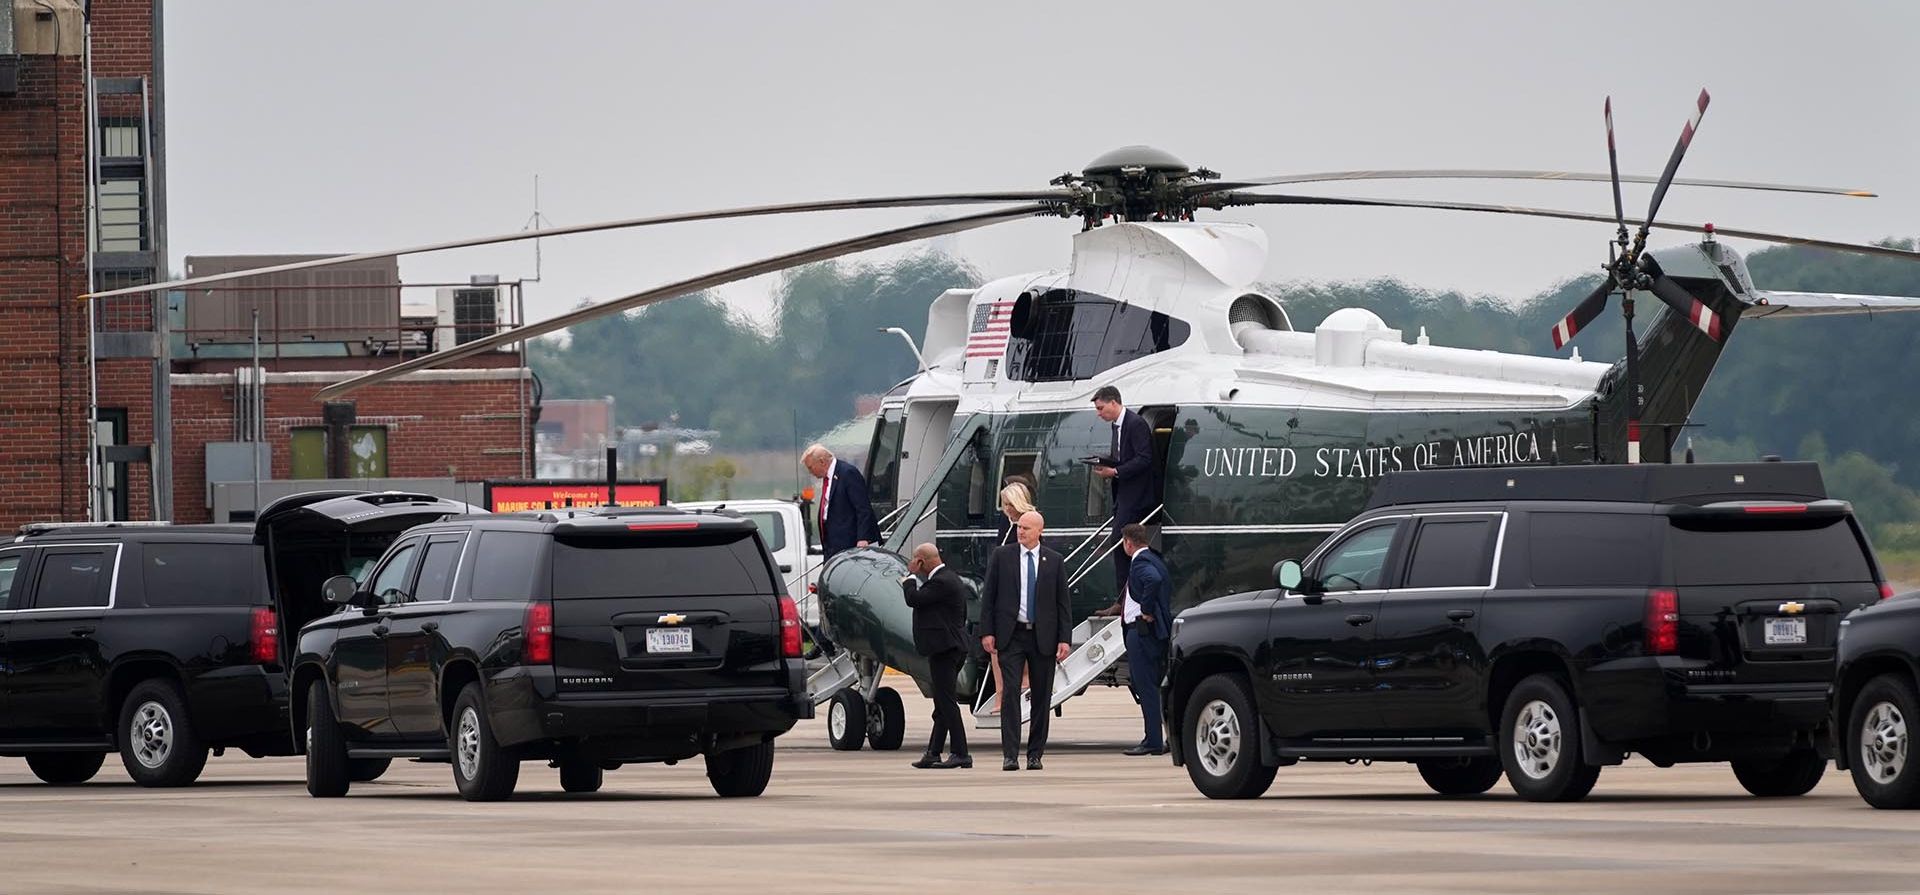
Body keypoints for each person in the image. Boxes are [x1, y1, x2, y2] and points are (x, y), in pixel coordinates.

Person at [979, 511, 1070, 771]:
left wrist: (1064, 639)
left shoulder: (1054, 561)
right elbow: (990, 597)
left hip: (1043, 637)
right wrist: (987, 631)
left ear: (1040, 531)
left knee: (1042, 697)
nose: (1021, 532)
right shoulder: (1002, 556)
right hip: (1012, 635)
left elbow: (1062, 603)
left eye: (1027, 528)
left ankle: (1035, 754)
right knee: (1010, 694)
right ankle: (1010, 754)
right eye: (1019, 527)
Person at [901, 543, 970, 769]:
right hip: (950, 647)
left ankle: (961, 752)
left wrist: (909, 577)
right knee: (941, 703)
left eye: (915, 559)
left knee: (947, 702)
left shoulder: (941, 581)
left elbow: (914, 599)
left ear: (921, 561)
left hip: (945, 650)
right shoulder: (949, 579)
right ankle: (933, 752)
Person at [1091, 385, 1153, 597]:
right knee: (1122, 541)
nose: (1099, 414)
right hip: (1124, 493)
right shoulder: (1117, 426)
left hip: (1136, 495)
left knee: (1119, 541)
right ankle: (1125, 595)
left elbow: (1144, 458)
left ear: (1114, 403)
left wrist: (1115, 471)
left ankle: (1124, 597)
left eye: (1100, 408)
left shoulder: (1135, 424)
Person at [1116, 524, 1171, 756]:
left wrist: (1146, 609)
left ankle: (1153, 741)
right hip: (1153, 633)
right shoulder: (1155, 558)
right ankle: (1157, 737)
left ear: (1128, 542)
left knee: (1145, 686)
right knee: (1153, 686)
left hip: (1141, 633)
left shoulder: (1140, 563)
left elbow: (1153, 580)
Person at [987, 481, 1035, 714]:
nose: (1006, 508)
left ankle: (1023, 679)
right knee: (995, 649)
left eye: (1009, 504)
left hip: (1021, 591)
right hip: (1003, 590)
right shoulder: (1005, 524)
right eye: (1004, 504)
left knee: (1020, 639)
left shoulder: (1028, 523)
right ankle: (1000, 695)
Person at [802, 444, 879, 558]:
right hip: (832, 545)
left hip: (850, 545)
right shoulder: (828, 478)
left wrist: (863, 538)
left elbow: (863, 508)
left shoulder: (848, 473)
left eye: (810, 467)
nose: (810, 472)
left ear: (822, 462)